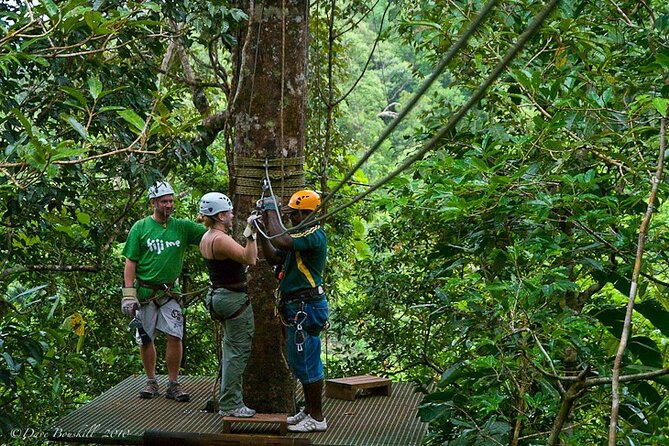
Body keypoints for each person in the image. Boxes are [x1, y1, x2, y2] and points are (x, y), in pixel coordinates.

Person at [121, 181, 206, 402]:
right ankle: (151, 381)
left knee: (175, 335)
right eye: (163, 201)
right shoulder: (140, 228)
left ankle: (173, 383)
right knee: (146, 338)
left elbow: (209, 236)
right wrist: (128, 294)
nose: (168, 205)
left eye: (171, 201)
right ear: (153, 203)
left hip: (170, 292)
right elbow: (130, 262)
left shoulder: (182, 227)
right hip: (146, 293)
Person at [258, 189, 329, 432]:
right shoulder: (299, 236)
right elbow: (275, 257)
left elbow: (282, 241)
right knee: (301, 362)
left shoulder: (313, 234)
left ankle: (317, 417)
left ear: (307, 214)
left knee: (308, 363)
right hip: (297, 306)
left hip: (306, 306)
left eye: (294, 215)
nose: (290, 219)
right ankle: (309, 410)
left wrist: (270, 209)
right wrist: (261, 232)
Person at [197, 192, 258, 418]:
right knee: (237, 351)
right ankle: (231, 403)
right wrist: (251, 234)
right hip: (232, 299)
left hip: (219, 295)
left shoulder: (207, 237)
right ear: (221, 216)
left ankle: (230, 399)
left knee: (230, 349)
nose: (233, 215)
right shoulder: (220, 239)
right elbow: (250, 258)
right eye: (229, 213)